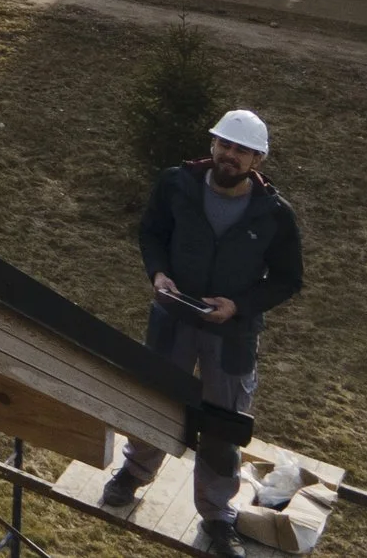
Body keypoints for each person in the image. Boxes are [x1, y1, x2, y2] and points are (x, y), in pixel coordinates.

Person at [101, 109, 304, 558]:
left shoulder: (273, 214)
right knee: (155, 397)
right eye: (224, 145)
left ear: (258, 160)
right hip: (173, 318)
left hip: (231, 335)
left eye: (241, 150)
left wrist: (239, 306)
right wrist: (157, 274)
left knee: (222, 419)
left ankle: (216, 514)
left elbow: (289, 279)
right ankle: (134, 472)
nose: (230, 156)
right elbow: (151, 233)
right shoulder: (176, 184)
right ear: (212, 145)